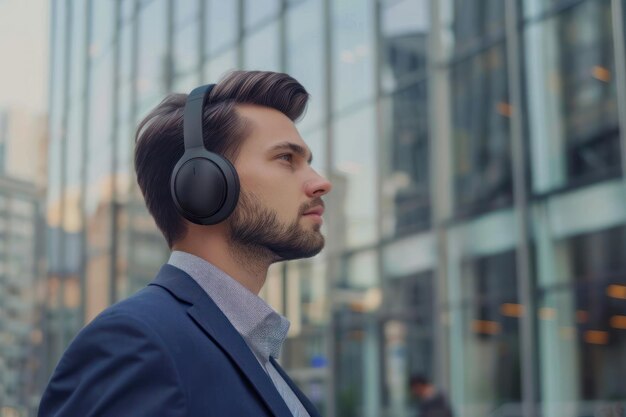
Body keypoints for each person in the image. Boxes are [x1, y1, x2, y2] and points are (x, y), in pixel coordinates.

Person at [38, 71, 332, 417]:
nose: (320, 183)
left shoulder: (253, 354)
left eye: (308, 163)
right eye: (286, 159)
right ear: (204, 182)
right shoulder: (137, 342)